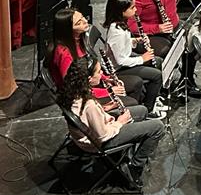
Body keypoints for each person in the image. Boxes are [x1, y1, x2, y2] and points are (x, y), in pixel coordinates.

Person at [58, 57, 164, 185]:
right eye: (98, 72)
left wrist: (104, 109)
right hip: (100, 142)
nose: (101, 73)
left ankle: (128, 151)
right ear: (89, 79)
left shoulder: (74, 91)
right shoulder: (88, 104)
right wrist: (120, 122)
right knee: (158, 127)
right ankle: (134, 167)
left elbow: (85, 116)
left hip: (96, 131)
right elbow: (103, 135)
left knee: (142, 110)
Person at [48, 8, 138, 111]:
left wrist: (106, 78)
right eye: (78, 23)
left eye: (82, 17)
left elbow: (91, 66)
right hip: (82, 97)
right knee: (132, 102)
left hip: (90, 84)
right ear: (68, 30)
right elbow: (74, 90)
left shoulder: (79, 40)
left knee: (136, 83)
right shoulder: (64, 54)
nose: (85, 21)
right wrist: (108, 91)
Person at [95, 0, 165, 116]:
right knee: (157, 75)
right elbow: (121, 60)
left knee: (158, 61)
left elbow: (122, 46)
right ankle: (149, 109)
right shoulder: (117, 32)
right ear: (122, 11)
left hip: (123, 61)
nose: (136, 9)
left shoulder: (121, 24)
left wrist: (135, 41)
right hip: (117, 69)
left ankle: (153, 96)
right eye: (132, 7)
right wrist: (142, 58)